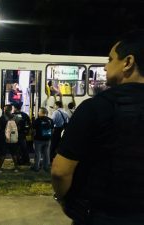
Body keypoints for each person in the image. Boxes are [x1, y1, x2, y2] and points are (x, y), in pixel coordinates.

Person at [51, 30, 144, 225]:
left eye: (110, 60)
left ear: (128, 62)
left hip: (100, 215)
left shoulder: (95, 107)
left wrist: (63, 200)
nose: (104, 66)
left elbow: (60, 171)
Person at [31, 107, 54, 172]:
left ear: (41, 112)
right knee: (46, 154)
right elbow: (52, 130)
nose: (38, 112)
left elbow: (33, 131)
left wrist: (33, 137)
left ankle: (36, 167)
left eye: (39, 111)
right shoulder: (50, 120)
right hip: (48, 140)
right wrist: (50, 137)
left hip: (38, 140)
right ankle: (46, 167)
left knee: (37, 154)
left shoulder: (37, 120)